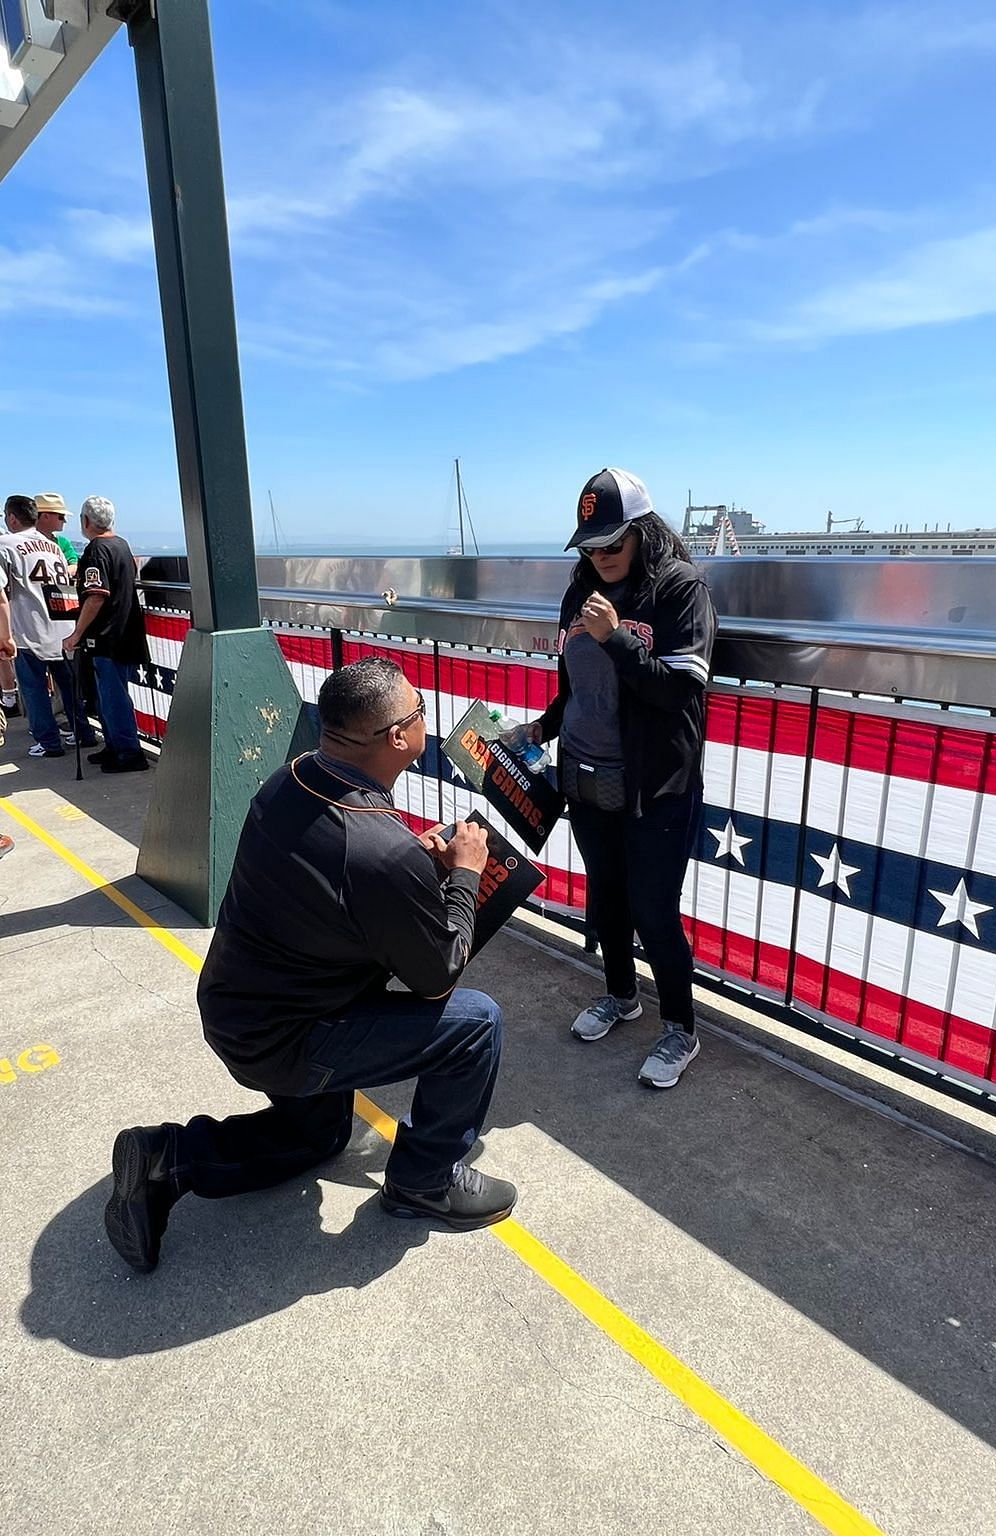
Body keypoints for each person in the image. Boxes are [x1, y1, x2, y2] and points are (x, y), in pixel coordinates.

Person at [103, 657, 516, 1275]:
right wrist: (463, 874)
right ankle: (425, 1181)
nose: (427, 718)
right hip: (291, 1036)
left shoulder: (290, 778)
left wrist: (410, 866)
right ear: (398, 737)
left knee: (322, 1136)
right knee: (476, 1021)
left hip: (236, 1009)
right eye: (420, 711)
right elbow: (437, 975)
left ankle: (170, 1158)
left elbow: (341, 887)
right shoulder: (377, 849)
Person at [530, 468, 717, 1089]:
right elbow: (576, 684)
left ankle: (680, 1029)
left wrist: (618, 640)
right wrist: (542, 728)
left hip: (654, 785)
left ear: (642, 531)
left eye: (614, 542)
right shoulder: (579, 590)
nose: (601, 555)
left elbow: (680, 693)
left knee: (653, 909)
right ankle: (620, 996)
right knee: (606, 897)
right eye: (591, 544)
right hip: (585, 776)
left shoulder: (680, 590)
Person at [0, 494, 98, 760]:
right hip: (63, 627)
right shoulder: (52, 546)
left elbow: (1, 594)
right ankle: (83, 733)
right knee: (68, 687)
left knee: (34, 690)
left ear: (11, 517)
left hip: (29, 630)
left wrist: (5, 635)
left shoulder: (5, 544)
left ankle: (48, 742)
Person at [61, 495, 149, 773]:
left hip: (108, 638)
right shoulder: (121, 545)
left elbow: (96, 596)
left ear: (86, 521)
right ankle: (115, 746)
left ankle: (128, 752)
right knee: (109, 696)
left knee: (113, 699)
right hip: (125, 634)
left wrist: (76, 634)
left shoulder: (97, 550)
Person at [34, 492, 81, 569]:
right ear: (45, 516)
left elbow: (73, 563)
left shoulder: (63, 542)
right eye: (61, 517)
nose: (65, 521)